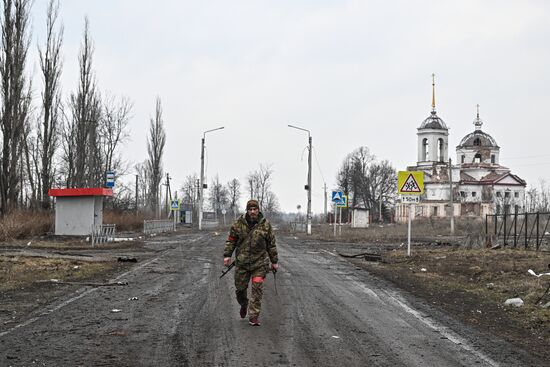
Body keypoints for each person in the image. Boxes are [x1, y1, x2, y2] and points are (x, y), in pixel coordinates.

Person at [223, 199, 278, 326]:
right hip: (242, 263)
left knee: (257, 287)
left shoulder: (265, 225)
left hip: (259, 262)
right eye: (250, 209)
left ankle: (253, 315)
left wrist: (274, 261)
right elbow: (231, 241)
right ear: (247, 210)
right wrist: (227, 255)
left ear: (258, 210)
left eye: (255, 209)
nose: (253, 212)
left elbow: (271, 245)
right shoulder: (238, 224)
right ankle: (243, 304)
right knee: (240, 289)